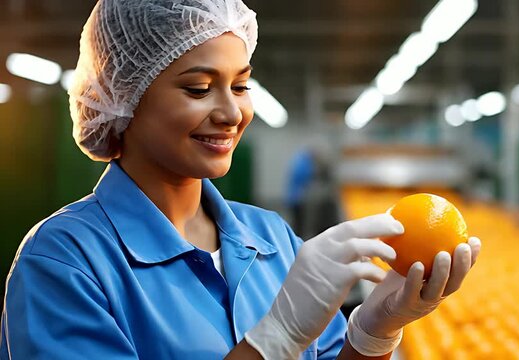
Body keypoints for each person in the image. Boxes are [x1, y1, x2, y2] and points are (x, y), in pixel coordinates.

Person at [0, 1, 481, 359]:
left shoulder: (273, 240)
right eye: (198, 89)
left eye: (241, 85)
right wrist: (274, 339)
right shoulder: (65, 263)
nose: (231, 112)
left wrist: (373, 331)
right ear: (124, 96)